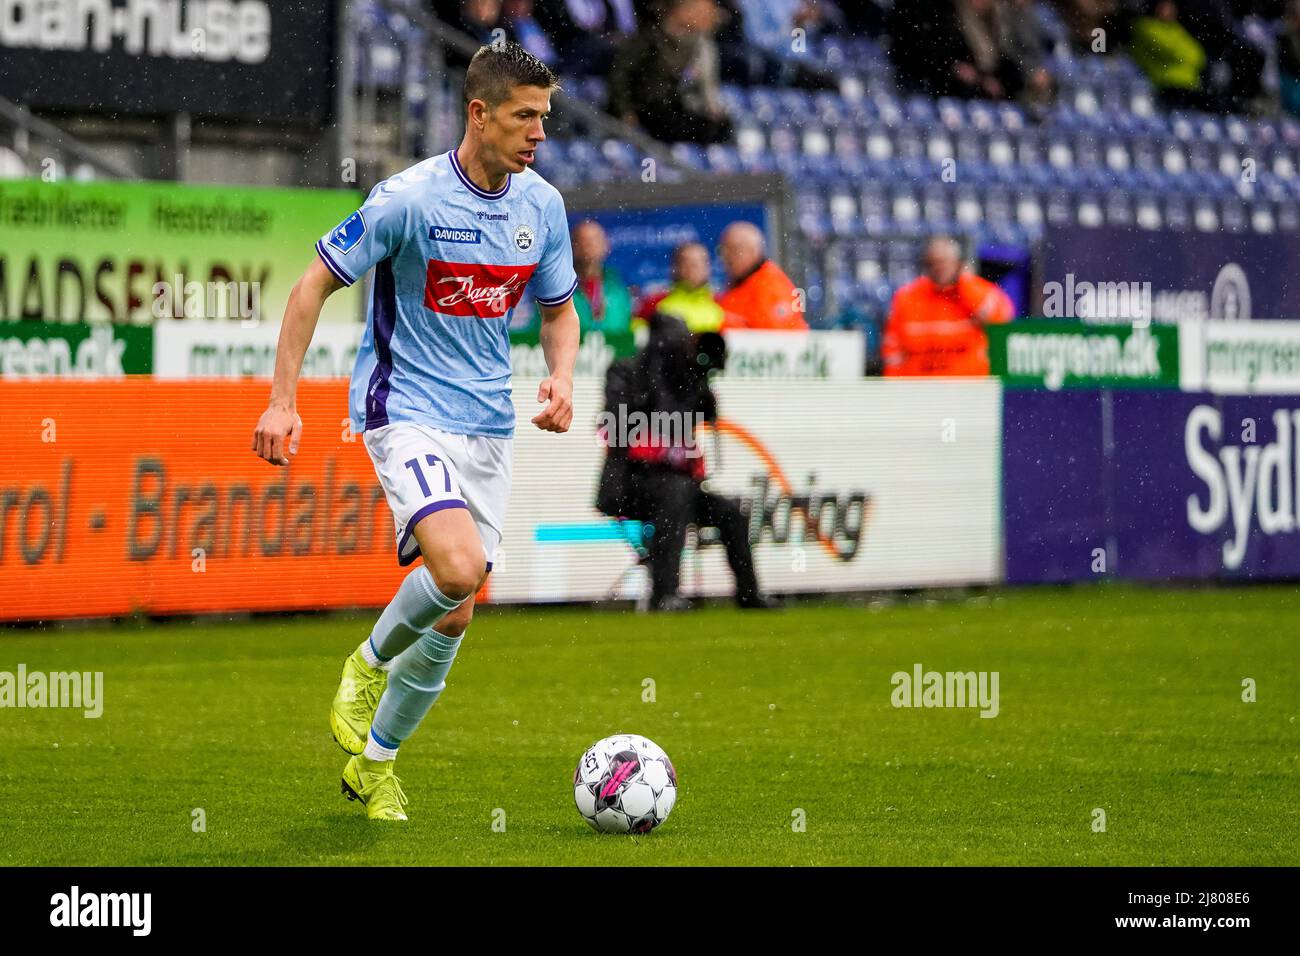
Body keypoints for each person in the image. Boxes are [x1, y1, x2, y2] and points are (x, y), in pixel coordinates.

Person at [251, 42, 580, 822]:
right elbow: (311, 284)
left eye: (546, 118)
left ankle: (377, 765)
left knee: (456, 608)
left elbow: (560, 309)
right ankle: (367, 665)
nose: (540, 134)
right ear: (479, 112)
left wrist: (562, 377)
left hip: (489, 425)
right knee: (459, 568)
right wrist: (281, 400)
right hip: (406, 413)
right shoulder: (408, 199)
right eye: (525, 117)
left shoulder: (543, 207)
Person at [595, 312, 772, 611]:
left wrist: (700, 391)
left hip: (680, 485)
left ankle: (749, 594)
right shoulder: (627, 372)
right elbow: (613, 426)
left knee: (731, 513)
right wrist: (651, 391)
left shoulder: (685, 380)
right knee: (675, 495)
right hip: (633, 482)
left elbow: (701, 417)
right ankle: (664, 594)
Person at [881, 236, 1013, 377]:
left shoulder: (978, 292)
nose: (939, 268)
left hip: (969, 388)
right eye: (933, 262)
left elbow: (1000, 323)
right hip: (922, 389)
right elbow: (893, 352)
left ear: (958, 264)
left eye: (944, 262)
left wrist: (966, 285)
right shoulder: (907, 298)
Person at [608, 0, 733, 145]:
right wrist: (624, 109)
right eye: (693, 8)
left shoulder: (696, 44)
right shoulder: (648, 38)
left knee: (720, 126)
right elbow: (620, 74)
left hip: (670, 106)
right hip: (647, 109)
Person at [716, 221, 809, 330]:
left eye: (734, 249)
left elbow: (776, 335)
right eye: (724, 250)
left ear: (753, 251)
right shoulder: (737, 284)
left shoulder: (771, 285)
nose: (727, 257)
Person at [636, 241, 725, 333]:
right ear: (676, 266)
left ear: (709, 267)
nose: (693, 268)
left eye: (700, 262)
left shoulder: (722, 302)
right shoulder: (655, 303)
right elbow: (638, 334)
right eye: (687, 262)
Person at [571, 220, 634, 335]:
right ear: (572, 247)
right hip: (576, 351)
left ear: (606, 245)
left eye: (594, 240)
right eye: (582, 240)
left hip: (617, 351)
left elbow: (628, 324)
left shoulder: (618, 287)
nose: (588, 245)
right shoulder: (561, 288)